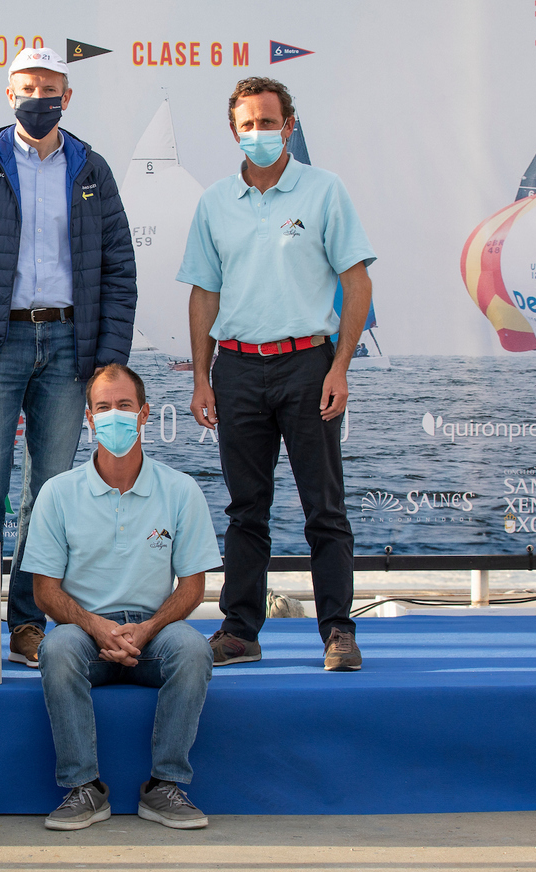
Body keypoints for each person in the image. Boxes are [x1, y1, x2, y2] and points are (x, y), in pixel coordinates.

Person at [0, 45, 136, 669]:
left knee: (48, 495)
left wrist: (108, 362)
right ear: (9, 94)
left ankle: (25, 624)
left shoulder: (91, 169)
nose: (38, 99)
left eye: (49, 89)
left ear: (67, 97)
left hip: (70, 349)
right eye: (26, 88)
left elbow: (119, 269)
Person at [179, 76, 375, 672]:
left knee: (325, 509)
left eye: (268, 122)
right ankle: (240, 632)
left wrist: (340, 366)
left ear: (288, 126)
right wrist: (202, 378)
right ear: (233, 130)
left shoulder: (324, 190)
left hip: (308, 365)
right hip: (237, 369)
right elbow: (203, 294)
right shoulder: (214, 202)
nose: (258, 132)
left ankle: (338, 632)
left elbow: (356, 282)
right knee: (246, 510)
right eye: (248, 124)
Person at [23, 363, 219, 832]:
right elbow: (44, 591)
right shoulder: (58, 493)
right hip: (83, 633)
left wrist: (148, 629)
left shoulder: (180, 490)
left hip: (154, 632)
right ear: (89, 418)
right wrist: (96, 626)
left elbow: (193, 586)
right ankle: (83, 788)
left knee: (194, 649)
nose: (114, 415)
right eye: (104, 407)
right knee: (57, 649)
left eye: (124, 405)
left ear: (144, 413)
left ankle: (165, 785)